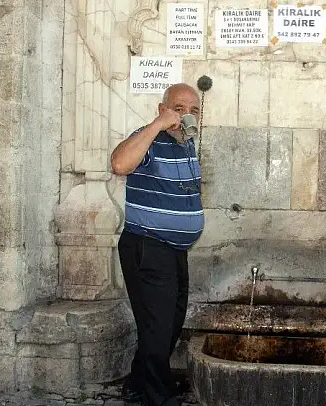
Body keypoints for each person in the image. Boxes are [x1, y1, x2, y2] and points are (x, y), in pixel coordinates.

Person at [110, 83, 204, 406]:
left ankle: (139, 382)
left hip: (173, 249)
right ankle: (157, 397)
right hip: (148, 246)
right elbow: (119, 164)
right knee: (158, 327)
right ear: (163, 110)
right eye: (179, 109)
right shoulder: (149, 138)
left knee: (170, 322)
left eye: (193, 111)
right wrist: (157, 125)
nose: (186, 116)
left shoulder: (186, 145)